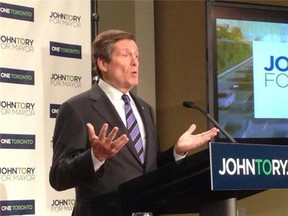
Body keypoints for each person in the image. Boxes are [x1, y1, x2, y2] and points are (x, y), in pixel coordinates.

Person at [49, 29, 219, 216]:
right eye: (126, 55)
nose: (135, 62)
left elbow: (150, 169)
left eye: (137, 55)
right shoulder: (77, 108)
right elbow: (58, 176)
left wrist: (177, 152)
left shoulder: (145, 109)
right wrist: (95, 157)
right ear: (103, 63)